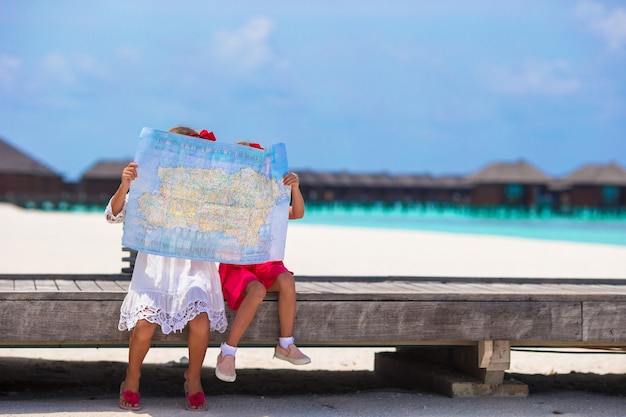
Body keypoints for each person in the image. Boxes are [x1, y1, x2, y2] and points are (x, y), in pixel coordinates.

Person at [106, 126, 226, 411]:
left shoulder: (205, 187)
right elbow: (113, 215)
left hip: (193, 268)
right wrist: (125, 185)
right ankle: (131, 377)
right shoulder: (149, 180)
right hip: (156, 269)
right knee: (145, 326)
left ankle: (193, 378)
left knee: (200, 319)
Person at [214, 141, 310, 383]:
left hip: (265, 264)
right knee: (256, 290)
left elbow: (296, 213)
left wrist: (295, 189)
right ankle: (228, 352)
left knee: (287, 280)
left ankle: (286, 344)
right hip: (237, 266)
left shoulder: (270, 200)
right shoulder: (228, 200)